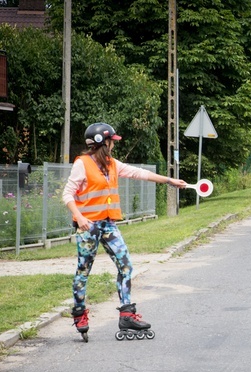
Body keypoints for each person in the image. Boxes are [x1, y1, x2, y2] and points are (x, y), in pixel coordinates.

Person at [62, 122, 188, 342]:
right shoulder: (82, 164)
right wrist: (80, 217)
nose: (114, 145)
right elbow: (67, 194)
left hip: (108, 224)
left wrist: (169, 181)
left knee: (126, 265)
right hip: (88, 226)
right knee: (84, 270)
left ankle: (127, 314)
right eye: (112, 141)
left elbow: (138, 173)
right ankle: (80, 314)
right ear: (103, 142)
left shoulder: (112, 164)